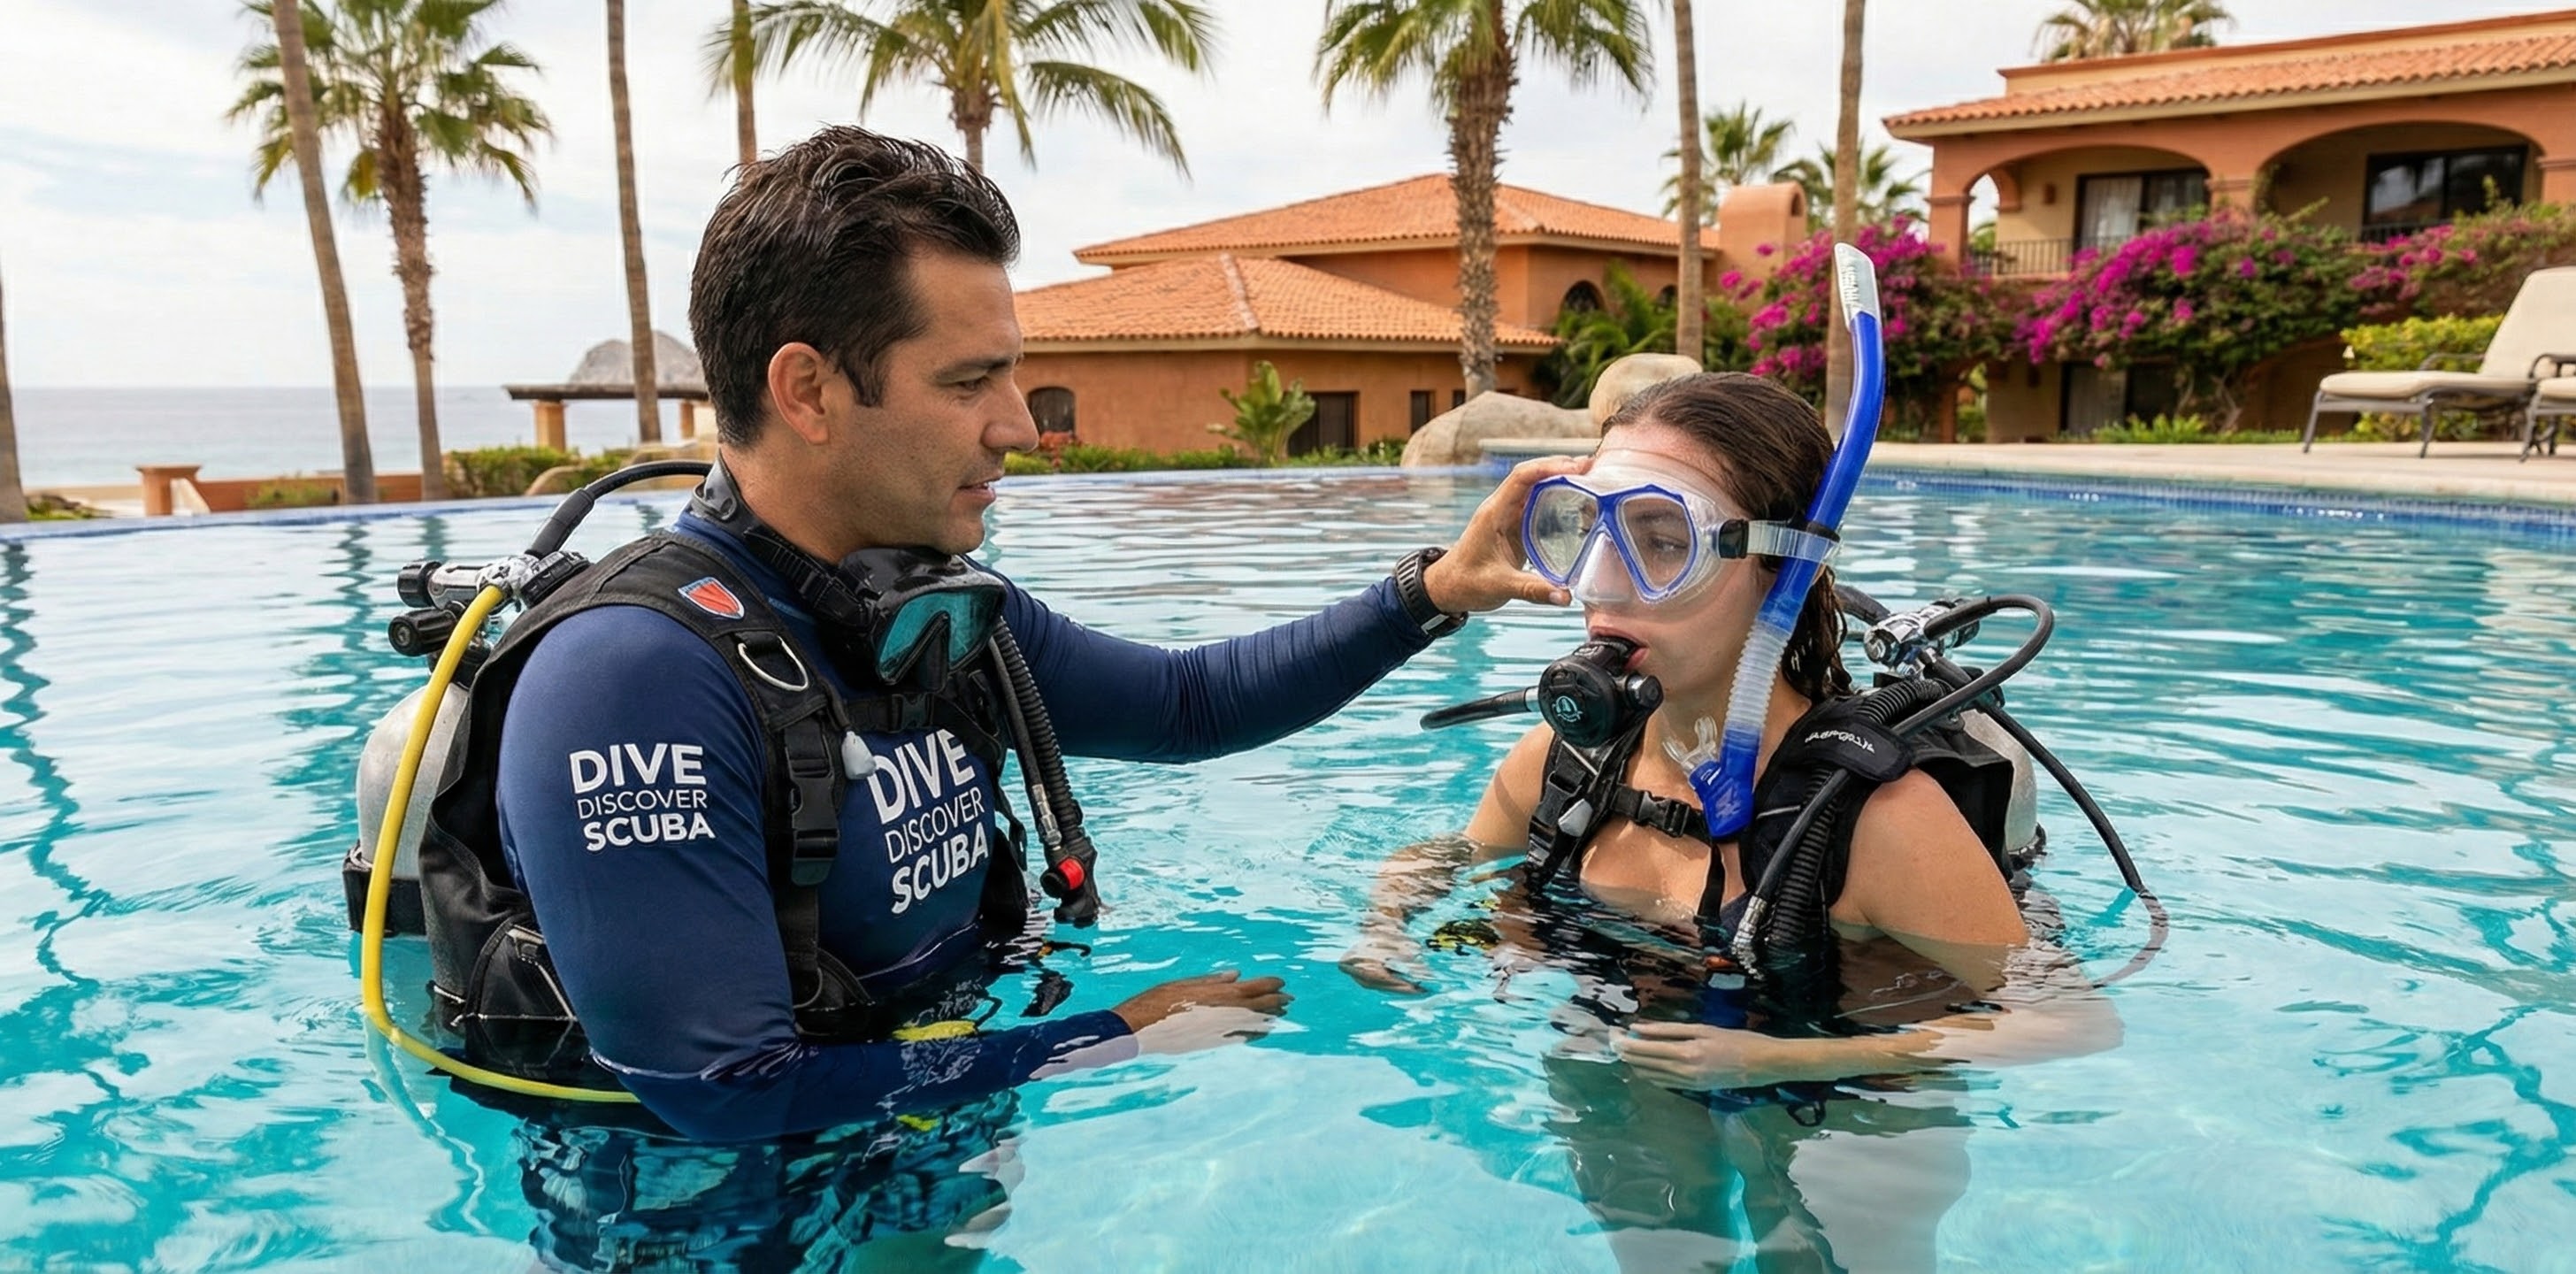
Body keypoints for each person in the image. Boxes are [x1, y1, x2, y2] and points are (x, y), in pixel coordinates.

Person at [408, 126, 1576, 1262]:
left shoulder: (940, 617)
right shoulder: (633, 681)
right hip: (716, 1218)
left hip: (912, 1138)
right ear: (808, 390)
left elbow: (1187, 706)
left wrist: (1437, 589)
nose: (1020, 425)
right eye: (971, 380)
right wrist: (1108, 1040)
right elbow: (722, 1097)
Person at [1345, 371, 2119, 1269]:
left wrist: (1780, 1066)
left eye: (1661, 541)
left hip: (1848, 1087)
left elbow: (2067, 1021)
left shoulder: (1875, 817)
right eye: (1584, 531)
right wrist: (1388, 928)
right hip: (1639, 1052)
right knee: (1661, 1253)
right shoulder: (1564, 766)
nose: (1602, 585)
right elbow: (1441, 860)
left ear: (1777, 569)